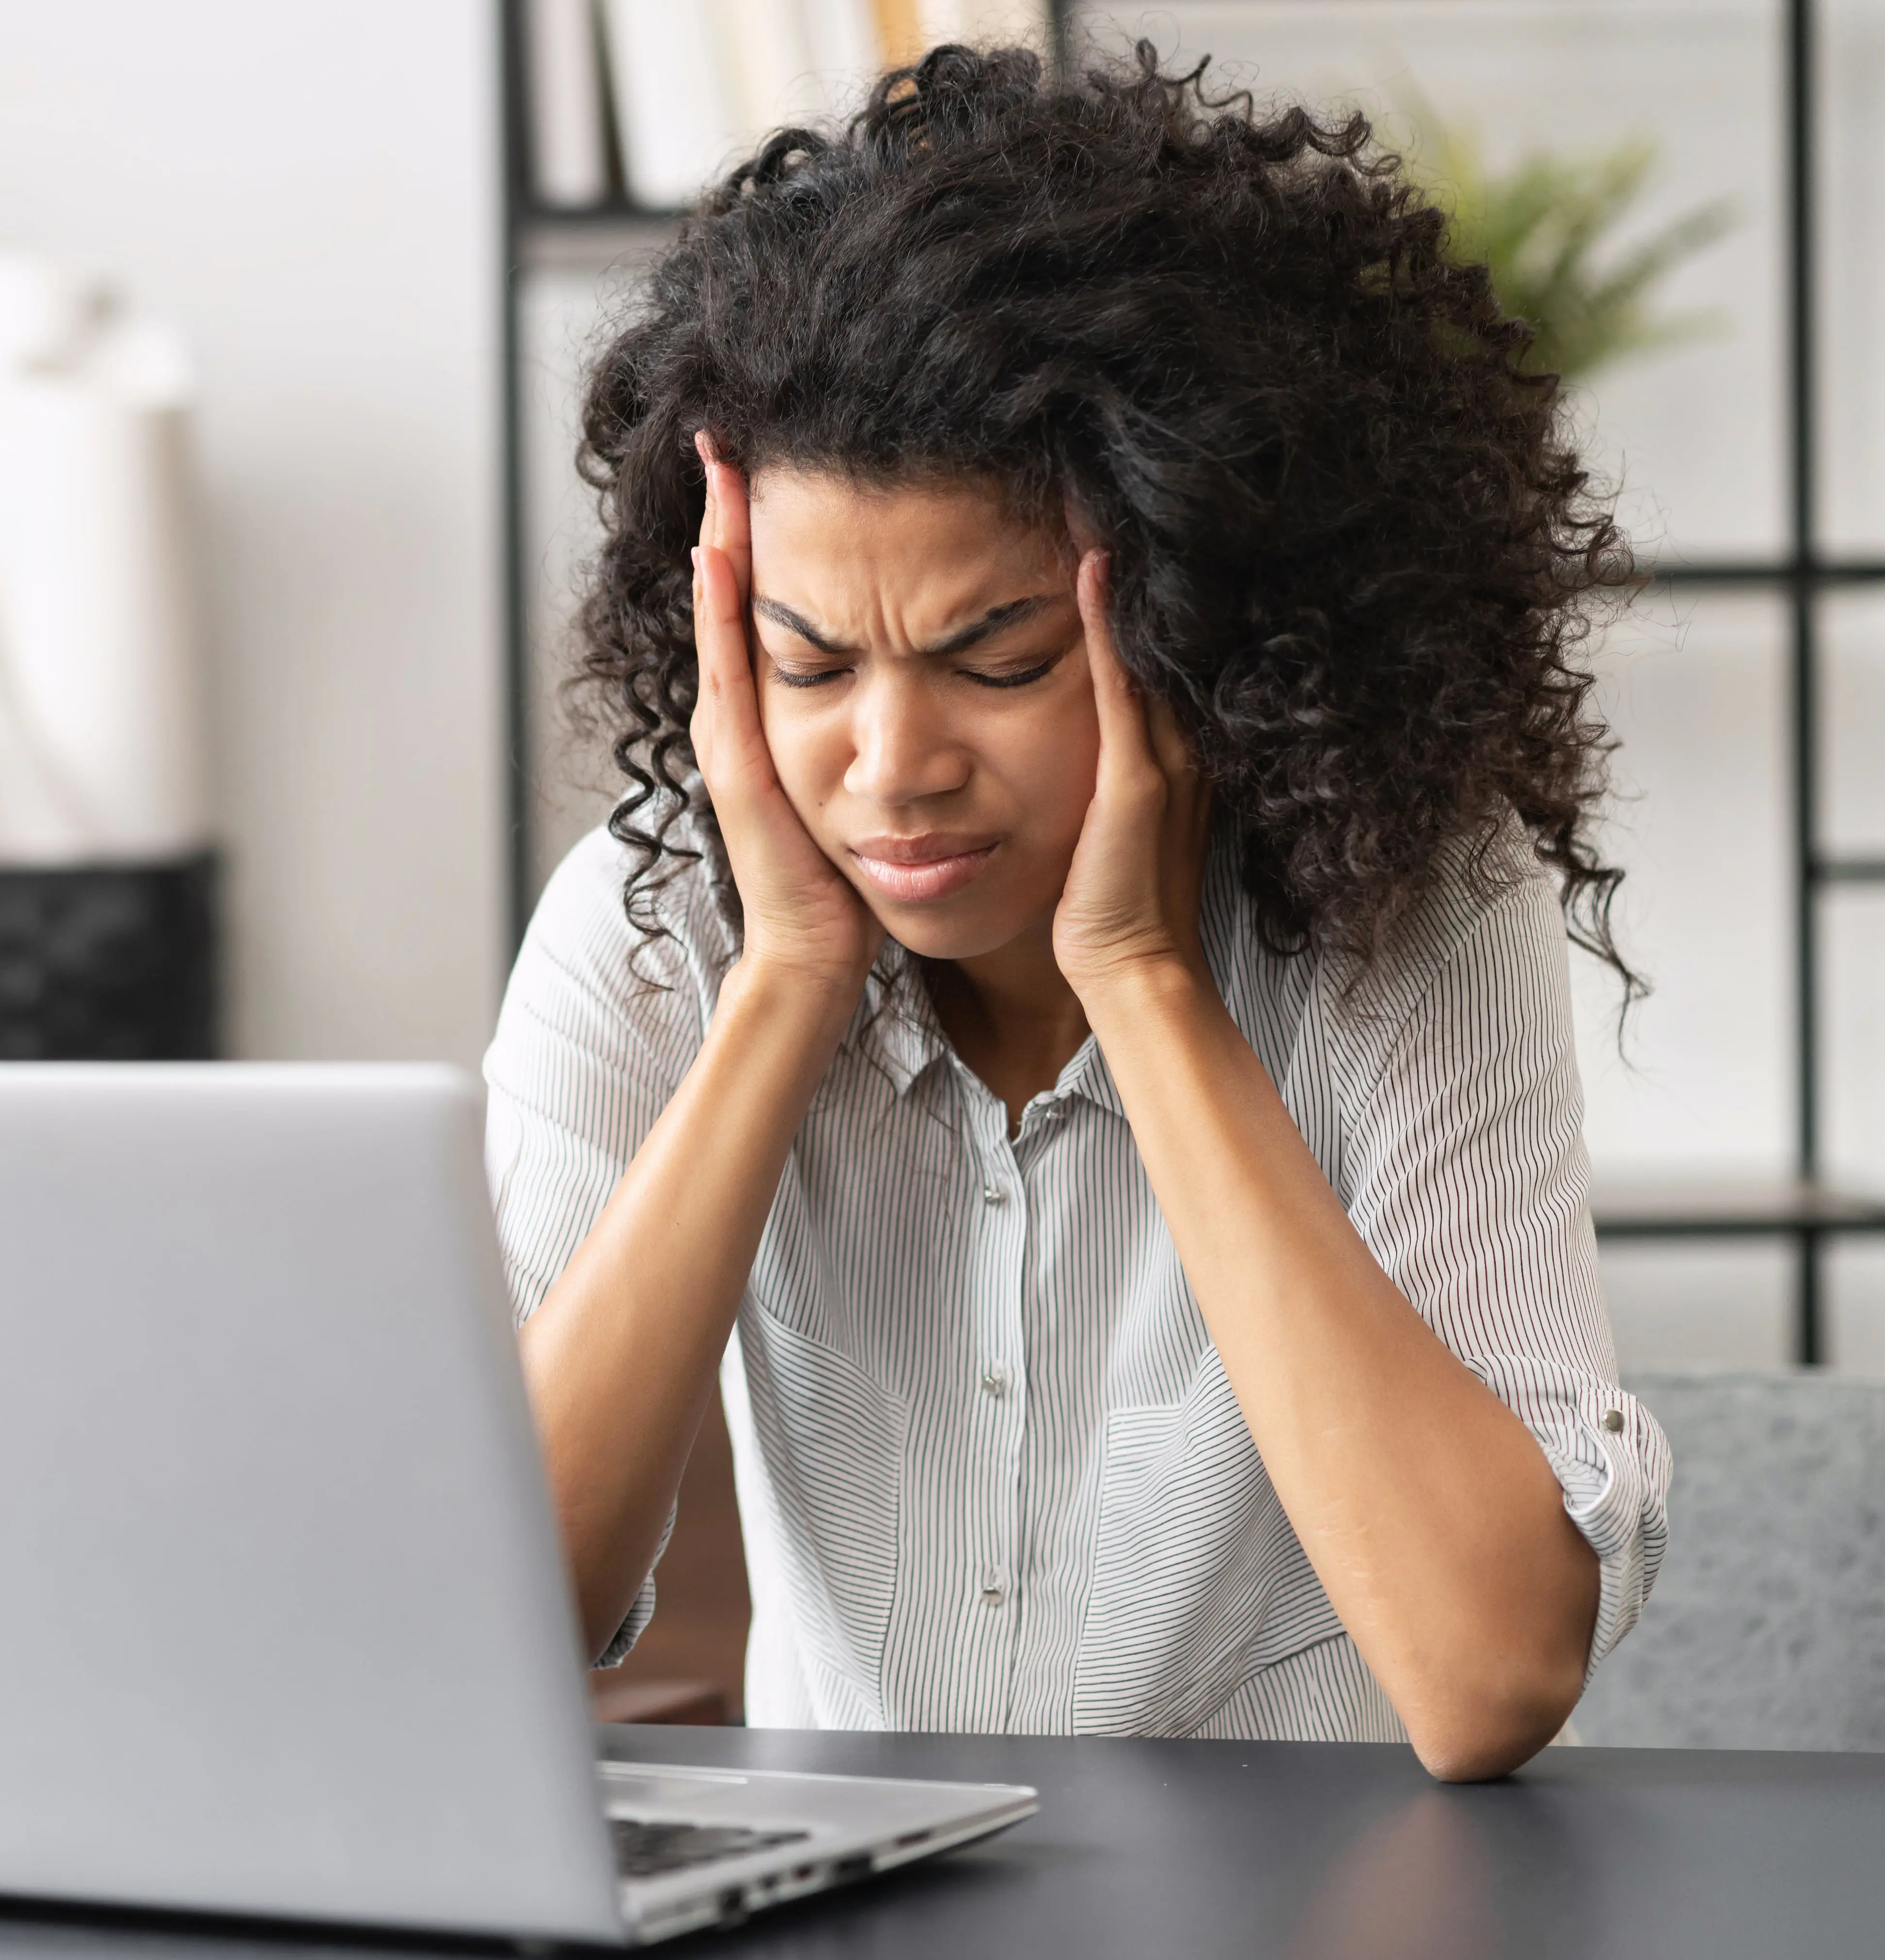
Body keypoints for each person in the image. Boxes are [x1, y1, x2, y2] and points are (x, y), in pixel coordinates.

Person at [486, 42, 1672, 1782]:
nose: (892, 768)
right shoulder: (656, 920)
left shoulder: (1404, 907)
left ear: (1195, 619)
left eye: (1001, 660)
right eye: (808, 662)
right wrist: (786, 988)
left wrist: (1142, 977)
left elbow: (1490, 1676)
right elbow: (490, 1618)